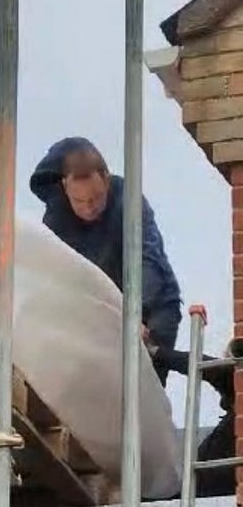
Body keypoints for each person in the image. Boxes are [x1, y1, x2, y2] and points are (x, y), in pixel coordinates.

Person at [30, 138, 182, 380]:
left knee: (145, 383)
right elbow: (57, 277)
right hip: (100, 310)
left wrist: (135, 316)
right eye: (79, 202)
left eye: (96, 198)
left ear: (107, 181)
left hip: (153, 305)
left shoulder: (130, 202)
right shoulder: (56, 219)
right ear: (64, 187)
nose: (89, 208)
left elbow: (148, 261)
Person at [146, 319, 238, 498]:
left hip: (210, 488)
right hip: (206, 486)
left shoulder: (234, 381)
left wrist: (155, 352)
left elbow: (198, 363)